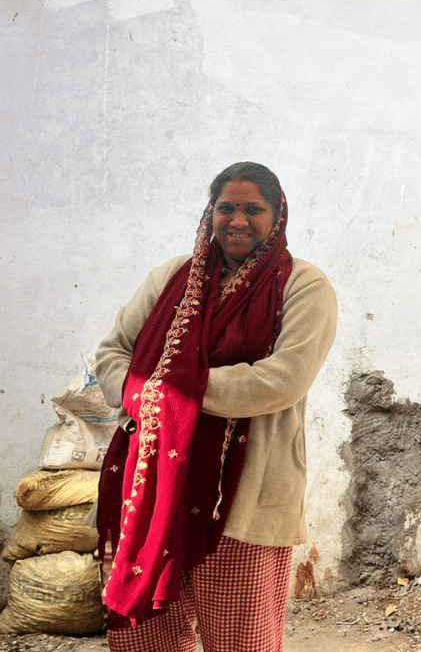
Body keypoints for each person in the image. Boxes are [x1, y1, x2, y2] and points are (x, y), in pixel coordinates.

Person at [93, 161, 337, 651]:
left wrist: (174, 395)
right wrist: (149, 395)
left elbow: (284, 378)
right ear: (210, 213)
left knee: (241, 640)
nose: (238, 220)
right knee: (149, 635)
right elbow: (112, 352)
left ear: (278, 215)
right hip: (155, 492)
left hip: (243, 497)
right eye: (226, 207)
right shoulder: (172, 279)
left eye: (254, 209)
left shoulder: (303, 286)